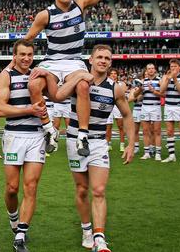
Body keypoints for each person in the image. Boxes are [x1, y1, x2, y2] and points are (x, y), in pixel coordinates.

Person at [24, 0, 120, 157]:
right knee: (34, 84)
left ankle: (82, 136)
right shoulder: (45, 15)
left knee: (84, 86)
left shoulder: (80, 5)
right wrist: (17, 63)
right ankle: (49, 129)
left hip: (74, 61)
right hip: (51, 61)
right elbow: (27, 40)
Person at [52, 44, 135, 252]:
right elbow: (57, 96)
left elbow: (127, 115)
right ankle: (86, 229)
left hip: (98, 142)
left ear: (111, 62)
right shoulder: (77, 80)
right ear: (90, 60)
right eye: (99, 57)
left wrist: (132, 144)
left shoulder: (115, 88)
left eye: (107, 58)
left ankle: (99, 238)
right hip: (74, 140)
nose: (103, 61)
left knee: (98, 190)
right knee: (81, 190)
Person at [0, 39, 49, 252]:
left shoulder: (39, 75)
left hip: (36, 136)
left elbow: (57, 94)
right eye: (22, 54)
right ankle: (13, 218)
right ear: (14, 56)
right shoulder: (5, 76)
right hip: (14, 136)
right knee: (12, 188)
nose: (26, 58)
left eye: (30, 55)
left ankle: (21, 234)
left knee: (31, 186)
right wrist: (29, 110)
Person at [160, 59, 180, 164]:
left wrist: (175, 79)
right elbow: (161, 91)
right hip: (168, 106)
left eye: (174, 66)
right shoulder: (165, 76)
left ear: (179, 67)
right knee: (169, 131)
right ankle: (171, 155)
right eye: (171, 66)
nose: (172, 68)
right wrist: (168, 79)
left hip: (179, 106)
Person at [140, 63, 164, 160]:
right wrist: (140, 91)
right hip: (145, 107)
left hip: (155, 107)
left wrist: (153, 91)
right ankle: (147, 153)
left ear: (155, 70)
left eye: (152, 68)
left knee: (157, 131)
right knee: (145, 131)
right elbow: (139, 97)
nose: (150, 70)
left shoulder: (160, 80)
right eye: (148, 68)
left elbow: (163, 94)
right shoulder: (142, 81)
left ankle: (158, 153)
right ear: (146, 70)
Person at [105, 68, 125, 152]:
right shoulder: (105, 84)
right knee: (108, 127)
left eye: (115, 73)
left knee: (120, 126)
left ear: (117, 75)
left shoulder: (121, 84)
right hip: (108, 106)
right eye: (111, 73)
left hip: (118, 106)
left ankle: (122, 144)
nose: (113, 75)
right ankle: (108, 144)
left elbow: (121, 95)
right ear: (108, 75)